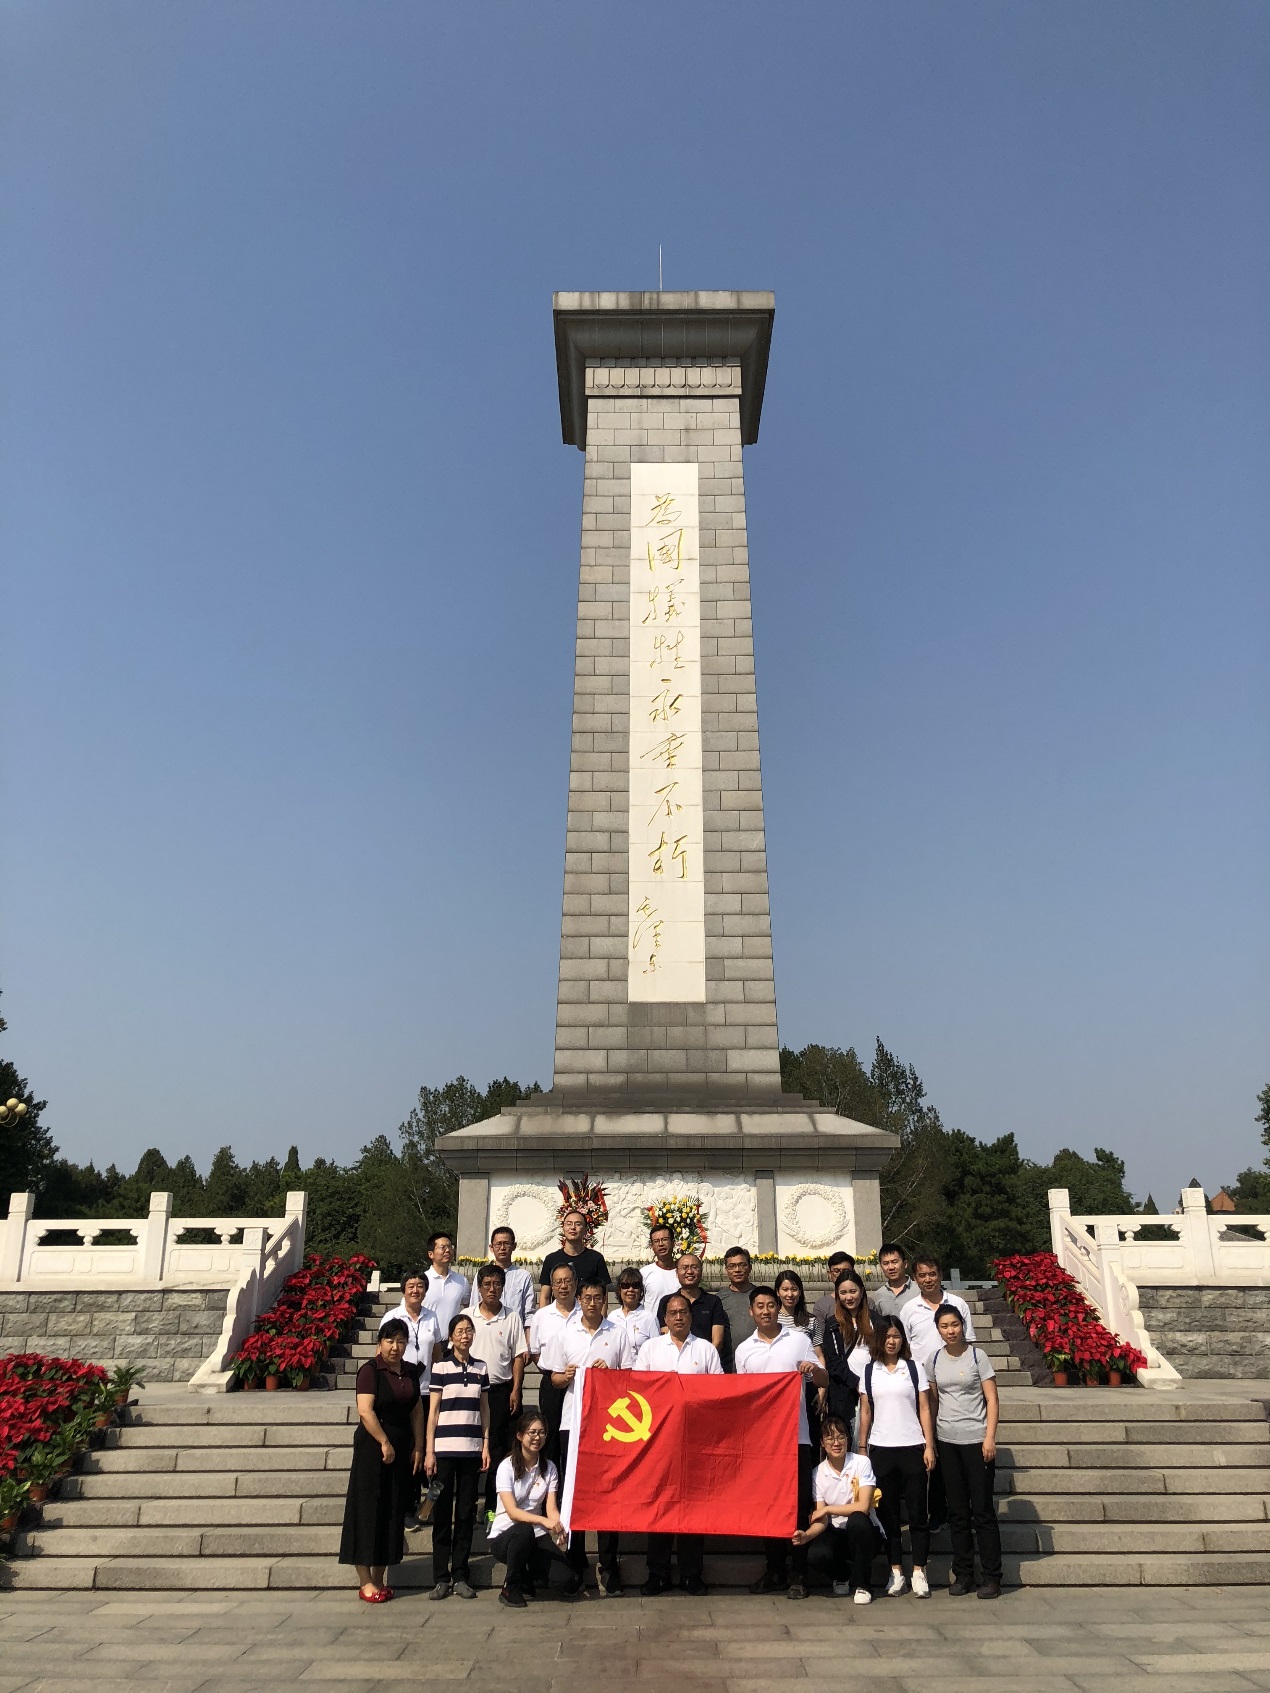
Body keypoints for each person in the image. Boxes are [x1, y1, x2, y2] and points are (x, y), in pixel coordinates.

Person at [540, 1276, 634, 1596]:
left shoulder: (618, 1333)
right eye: (587, 1298)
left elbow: (630, 1376)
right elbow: (553, 1377)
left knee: (608, 1493)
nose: (592, 1303)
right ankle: (576, 1562)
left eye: (598, 1298)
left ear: (605, 1300)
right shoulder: (565, 1334)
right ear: (579, 1300)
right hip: (574, 1423)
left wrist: (611, 1374)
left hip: (609, 1425)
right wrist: (565, 1376)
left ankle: (608, 1565)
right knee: (575, 1493)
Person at [734, 1286, 827, 1600]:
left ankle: (799, 1573)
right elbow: (743, 1397)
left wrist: (813, 1371)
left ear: (778, 1307)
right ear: (751, 1311)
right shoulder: (744, 1350)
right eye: (759, 1306)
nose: (766, 1311)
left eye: (771, 1305)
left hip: (797, 1437)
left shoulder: (798, 1340)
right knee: (767, 1505)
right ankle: (774, 1569)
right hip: (762, 1442)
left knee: (798, 1506)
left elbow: (824, 1379)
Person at [635, 1291, 721, 1596]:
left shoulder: (706, 1349)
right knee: (660, 1507)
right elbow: (638, 1391)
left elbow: (718, 1392)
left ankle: (690, 1574)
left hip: (696, 1441)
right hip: (659, 1442)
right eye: (673, 1313)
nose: (679, 1317)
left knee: (692, 1510)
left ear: (691, 1315)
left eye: (683, 1312)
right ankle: (657, 1573)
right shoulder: (650, 1349)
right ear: (665, 1318)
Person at [338, 1318, 423, 1602]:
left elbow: (417, 1411)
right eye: (390, 1341)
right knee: (367, 1511)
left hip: (401, 1446)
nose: (395, 1347)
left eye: (401, 1341)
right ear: (380, 1343)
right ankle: (365, 1582)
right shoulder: (370, 1370)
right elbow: (365, 1410)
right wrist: (384, 1441)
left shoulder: (410, 1371)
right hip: (372, 1448)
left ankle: (379, 1578)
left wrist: (419, 1445)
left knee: (391, 1510)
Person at [856, 1314, 935, 1599]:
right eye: (887, 1336)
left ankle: (919, 1571)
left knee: (917, 1513)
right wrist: (862, 1448)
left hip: (912, 1446)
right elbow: (866, 1412)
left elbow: (924, 1408)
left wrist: (929, 1445)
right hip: (880, 1448)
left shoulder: (913, 1368)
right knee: (888, 1515)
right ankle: (896, 1571)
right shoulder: (869, 1371)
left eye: (897, 1336)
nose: (892, 1341)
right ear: (879, 1339)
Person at [929, 1303, 1002, 1599]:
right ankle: (963, 1574)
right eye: (944, 1326)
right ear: (938, 1330)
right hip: (947, 1442)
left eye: (955, 1324)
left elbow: (992, 1399)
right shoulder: (935, 1359)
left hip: (976, 1441)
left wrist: (989, 1437)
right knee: (957, 1512)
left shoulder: (977, 1356)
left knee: (982, 1511)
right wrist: (931, 1441)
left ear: (963, 1325)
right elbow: (933, 1402)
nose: (951, 1331)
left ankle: (992, 1576)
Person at [425, 1313, 490, 1600]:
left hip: (471, 1450)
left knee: (465, 1513)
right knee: (441, 1513)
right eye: (460, 1331)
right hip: (443, 1451)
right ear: (451, 1336)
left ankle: (461, 1575)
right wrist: (429, 1451)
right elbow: (433, 1412)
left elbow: (485, 1409)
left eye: (469, 1330)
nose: (465, 1335)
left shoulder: (481, 1367)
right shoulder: (440, 1367)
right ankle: (441, 1577)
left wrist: (485, 1444)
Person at [486, 1410, 573, 1608]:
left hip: (536, 1535)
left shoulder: (549, 1468)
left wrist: (559, 1525)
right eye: (532, 1432)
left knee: (566, 1581)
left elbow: (551, 1507)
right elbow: (512, 1512)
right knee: (523, 1530)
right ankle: (510, 1587)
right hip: (506, 1535)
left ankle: (525, 1575)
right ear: (520, 1435)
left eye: (541, 1432)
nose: (537, 1437)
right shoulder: (506, 1467)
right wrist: (543, 1521)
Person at [377, 1271, 443, 1528]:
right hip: (400, 1391)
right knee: (404, 1446)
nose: (415, 1290)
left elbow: (436, 1353)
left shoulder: (432, 1317)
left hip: (425, 1391)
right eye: (411, 1286)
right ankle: (400, 1505)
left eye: (420, 1286)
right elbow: (381, 1353)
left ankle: (418, 1504)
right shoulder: (392, 1317)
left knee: (421, 1446)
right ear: (403, 1290)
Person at [792, 1414, 879, 1603]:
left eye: (841, 1437)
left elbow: (863, 1507)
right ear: (822, 1443)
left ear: (847, 1439)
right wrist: (807, 1535)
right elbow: (821, 1520)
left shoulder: (861, 1463)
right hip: (835, 1533)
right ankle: (842, 1575)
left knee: (857, 1519)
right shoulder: (817, 1473)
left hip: (864, 1533)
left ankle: (863, 1585)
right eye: (830, 1438)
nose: (836, 1443)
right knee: (816, 1555)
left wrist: (828, 1509)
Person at [465, 1262, 529, 1518]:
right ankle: (468, 1508)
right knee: (470, 1449)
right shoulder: (468, 1316)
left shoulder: (512, 1316)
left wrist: (516, 1390)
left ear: (503, 1287)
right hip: (470, 1392)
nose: (492, 1289)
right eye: (487, 1284)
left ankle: (492, 1510)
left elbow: (518, 1356)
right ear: (479, 1288)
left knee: (498, 1451)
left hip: (501, 1392)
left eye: (497, 1284)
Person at [528, 1263, 580, 1467]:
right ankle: (551, 1481)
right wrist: (549, 1371)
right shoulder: (541, 1316)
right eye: (558, 1282)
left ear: (576, 1283)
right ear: (552, 1286)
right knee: (549, 1436)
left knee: (575, 1436)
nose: (563, 1286)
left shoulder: (585, 1314)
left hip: (578, 1383)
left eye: (567, 1281)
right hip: (551, 1381)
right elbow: (534, 1351)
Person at [818, 1271, 875, 1436]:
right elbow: (832, 1361)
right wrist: (856, 1382)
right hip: (843, 1392)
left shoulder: (876, 1321)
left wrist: (869, 1383)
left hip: (873, 1389)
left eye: (853, 1291)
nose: (848, 1297)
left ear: (862, 1292)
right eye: (843, 1293)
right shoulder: (832, 1324)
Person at [901, 1257, 976, 1373]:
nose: (928, 1280)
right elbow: (906, 1345)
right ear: (915, 1278)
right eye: (922, 1275)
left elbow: (968, 1340)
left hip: (955, 1371)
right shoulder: (908, 1309)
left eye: (932, 1274)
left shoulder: (958, 1304)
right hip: (922, 1374)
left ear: (940, 1275)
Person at [774, 1270, 820, 1452]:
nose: (789, 1294)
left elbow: (819, 1354)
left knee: (809, 1438)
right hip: (781, 1387)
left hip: (806, 1387)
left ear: (800, 1292)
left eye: (794, 1289)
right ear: (777, 1292)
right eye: (785, 1289)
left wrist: (822, 1389)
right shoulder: (772, 1319)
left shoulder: (811, 1321)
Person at [654, 1253, 727, 1353]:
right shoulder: (667, 1302)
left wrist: (705, 1358)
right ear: (677, 1272)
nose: (689, 1272)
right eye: (684, 1268)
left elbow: (717, 1341)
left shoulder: (713, 1302)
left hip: (705, 1358)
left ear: (701, 1271)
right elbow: (666, 1335)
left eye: (694, 1267)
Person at [538, 1208, 611, 1307]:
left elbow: (603, 1296)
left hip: (588, 1314)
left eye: (578, 1224)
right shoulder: (551, 1259)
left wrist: (601, 1316)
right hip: (559, 1314)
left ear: (585, 1230)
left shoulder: (596, 1259)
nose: (573, 1227)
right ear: (563, 1228)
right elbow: (545, 1297)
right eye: (569, 1224)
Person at [716, 1246, 757, 1371]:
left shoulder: (760, 1296)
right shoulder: (718, 1299)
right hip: (727, 1366)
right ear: (726, 1270)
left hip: (756, 1364)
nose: (737, 1270)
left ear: (750, 1267)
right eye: (732, 1266)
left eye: (742, 1265)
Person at [423, 1232, 471, 1335]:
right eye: (443, 1247)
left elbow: (469, 1309)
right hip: (426, 1340)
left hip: (452, 1341)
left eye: (450, 1246)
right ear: (431, 1254)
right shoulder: (422, 1280)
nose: (448, 1250)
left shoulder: (462, 1281)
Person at [489, 1226, 536, 1329]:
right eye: (498, 1244)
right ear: (491, 1247)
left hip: (515, 1331)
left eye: (506, 1243)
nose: (502, 1248)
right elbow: (475, 1306)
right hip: (489, 1330)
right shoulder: (483, 1275)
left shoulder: (523, 1276)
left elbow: (529, 1313)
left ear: (514, 1246)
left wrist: (527, 1333)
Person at [610, 1266, 661, 1357]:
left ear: (641, 1290)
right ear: (619, 1290)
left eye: (635, 1285)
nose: (631, 1290)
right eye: (625, 1286)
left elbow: (657, 1351)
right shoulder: (612, 1317)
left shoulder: (649, 1318)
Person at [640, 1224, 683, 1314]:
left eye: (664, 1239)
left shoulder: (684, 1273)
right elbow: (638, 1305)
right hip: (652, 1323)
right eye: (656, 1241)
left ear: (673, 1243)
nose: (660, 1244)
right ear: (652, 1246)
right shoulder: (644, 1273)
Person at [810, 1253, 856, 1334]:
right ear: (829, 1274)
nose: (841, 1274)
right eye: (836, 1271)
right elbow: (820, 1336)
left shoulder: (868, 1302)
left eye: (845, 1271)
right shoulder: (821, 1305)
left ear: (854, 1272)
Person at [871, 1243, 919, 1321]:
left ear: (905, 1264)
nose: (891, 1267)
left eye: (894, 1262)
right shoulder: (879, 1294)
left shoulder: (918, 1290)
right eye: (886, 1263)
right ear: (881, 1267)